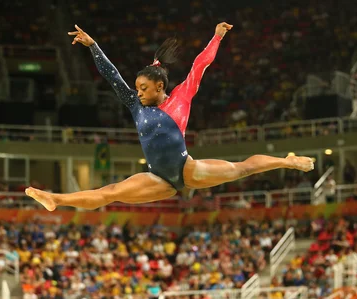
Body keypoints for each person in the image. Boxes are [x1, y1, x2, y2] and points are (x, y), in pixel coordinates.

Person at [26, 22, 314, 211]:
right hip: (157, 179)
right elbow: (111, 76)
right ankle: (55, 199)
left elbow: (199, 65)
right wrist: (93, 46)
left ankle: (285, 161)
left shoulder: (180, 97)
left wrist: (217, 36)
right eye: (136, 88)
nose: (136, 93)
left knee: (242, 168)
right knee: (110, 192)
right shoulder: (136, 106)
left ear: (159, 87)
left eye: (142, 88)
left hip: (187, 170)